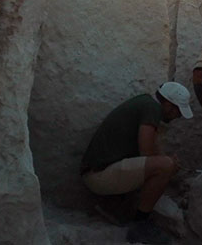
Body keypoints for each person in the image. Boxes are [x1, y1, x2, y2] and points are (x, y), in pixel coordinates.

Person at [80, 82, 193, 244]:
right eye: (178, 112)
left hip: (98, 172)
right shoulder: (152, 108)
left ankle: (116, 205)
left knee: (165, 164)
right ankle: (140, 225)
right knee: (165, 166)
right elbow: (147, 151)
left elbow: (151, 151)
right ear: (168, 105)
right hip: (99, 175)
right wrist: (169, 165)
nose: (177, 117)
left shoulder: (146, 103)